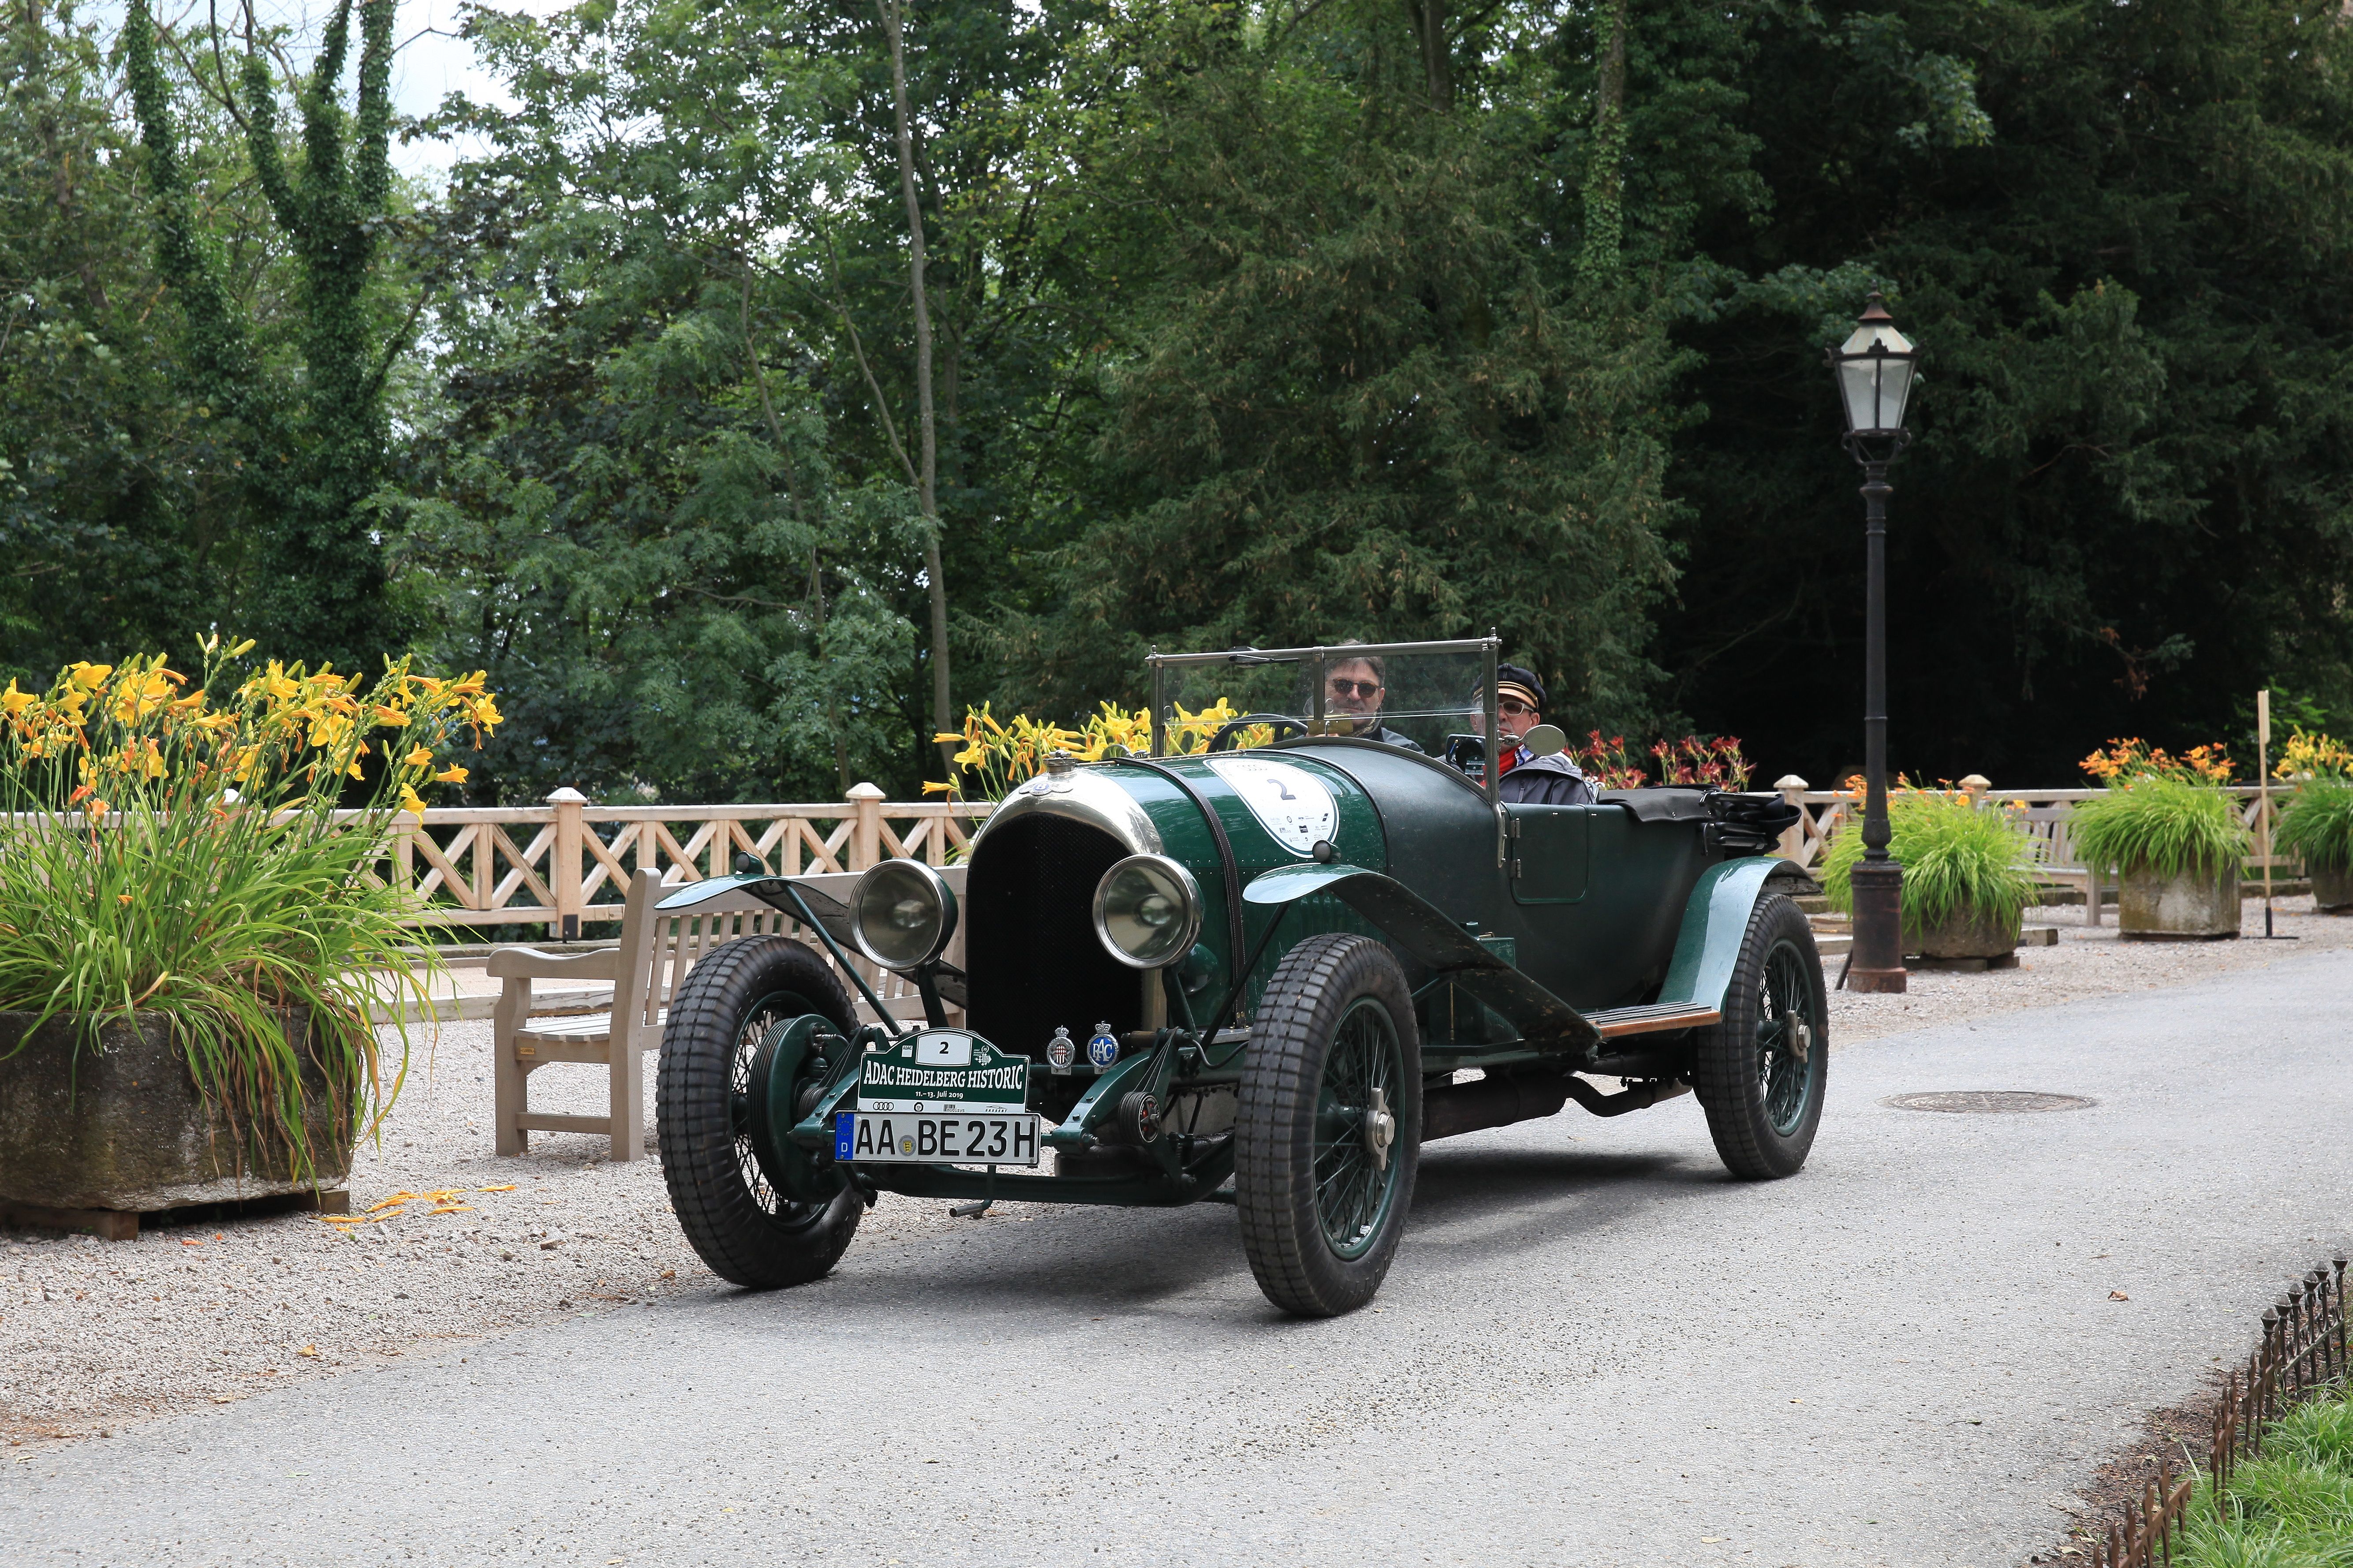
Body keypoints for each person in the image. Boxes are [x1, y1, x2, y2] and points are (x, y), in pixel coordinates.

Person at [1481, 665, 1595, 806]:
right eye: (1490, 708)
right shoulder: (1450, 770)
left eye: (1513, 707)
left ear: (1533, 721)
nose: (1500, 715)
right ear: (1474, 719)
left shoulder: (1559, 779)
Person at [1322, 646, 1423, 751]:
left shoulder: (1405, 753)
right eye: (1343, 685)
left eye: (1366, 688)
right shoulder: (1305, 750)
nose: (1354, 696)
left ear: (1380, 698)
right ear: (1322, 689)